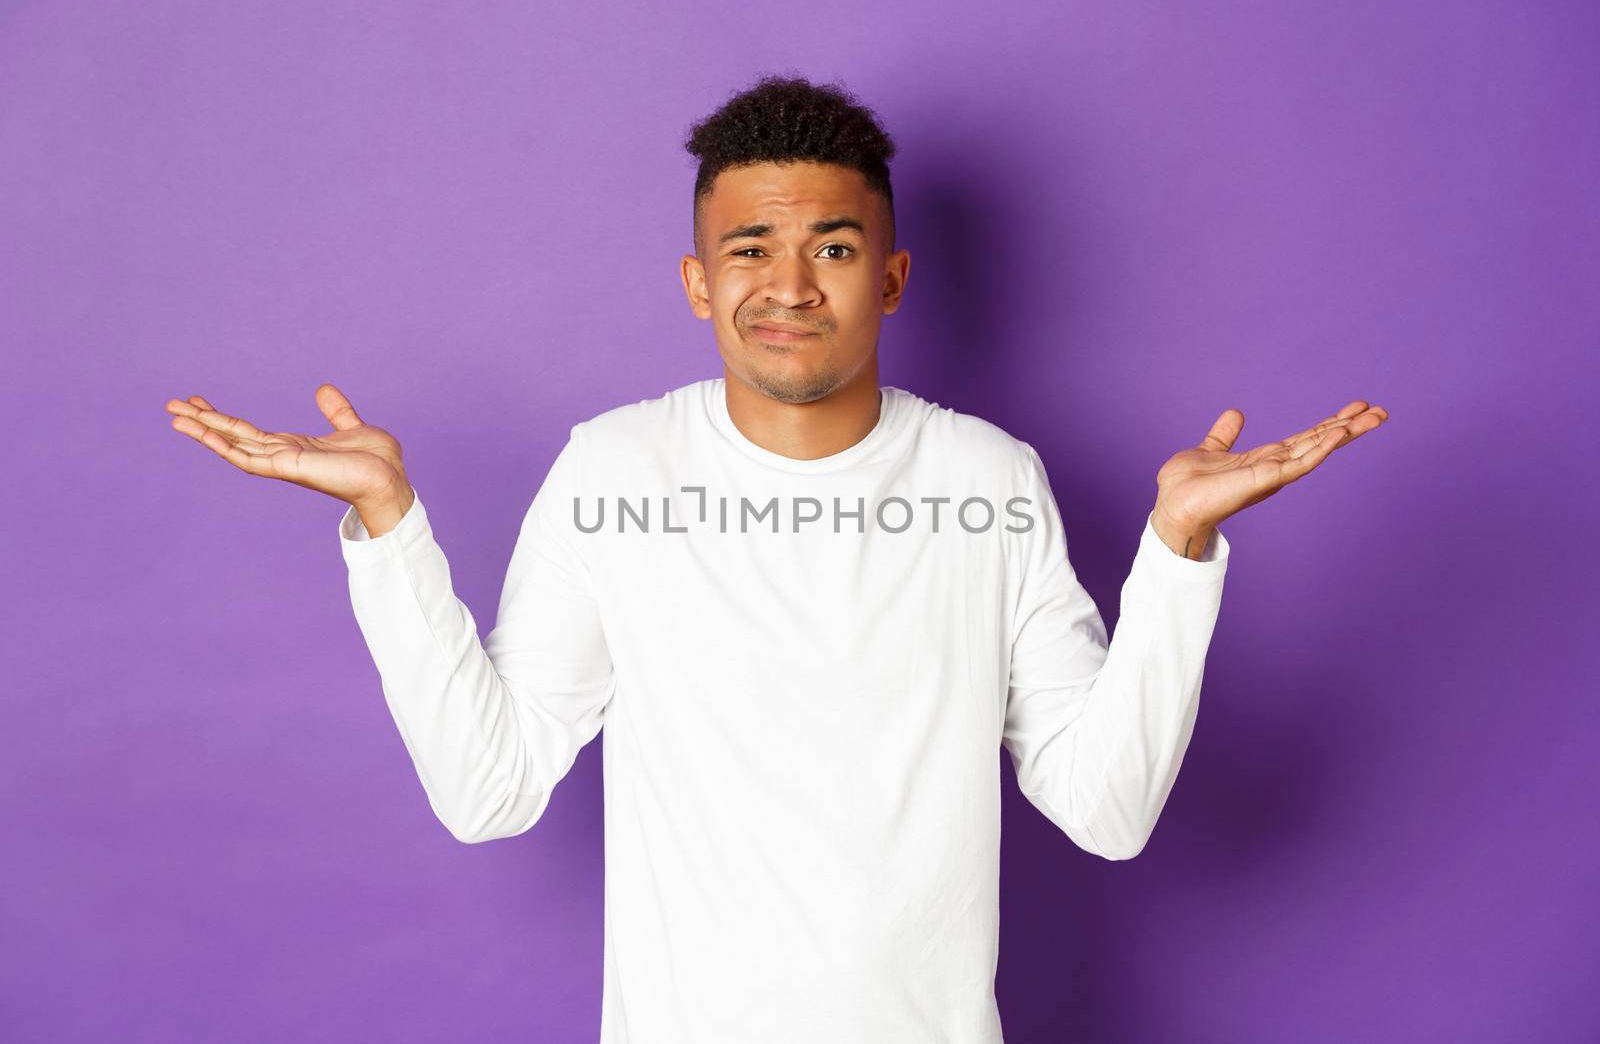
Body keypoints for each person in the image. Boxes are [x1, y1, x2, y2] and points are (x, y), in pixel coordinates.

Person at [166, 73, 1388, 1043]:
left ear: (893, 276)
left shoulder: (987, 478)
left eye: (835, 249)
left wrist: (1176, 554)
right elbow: (489, 788)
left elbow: (1107, 807)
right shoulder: (614, 470)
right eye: (749, 247)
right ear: (699, 283)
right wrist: (390, 526)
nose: (789, 285)